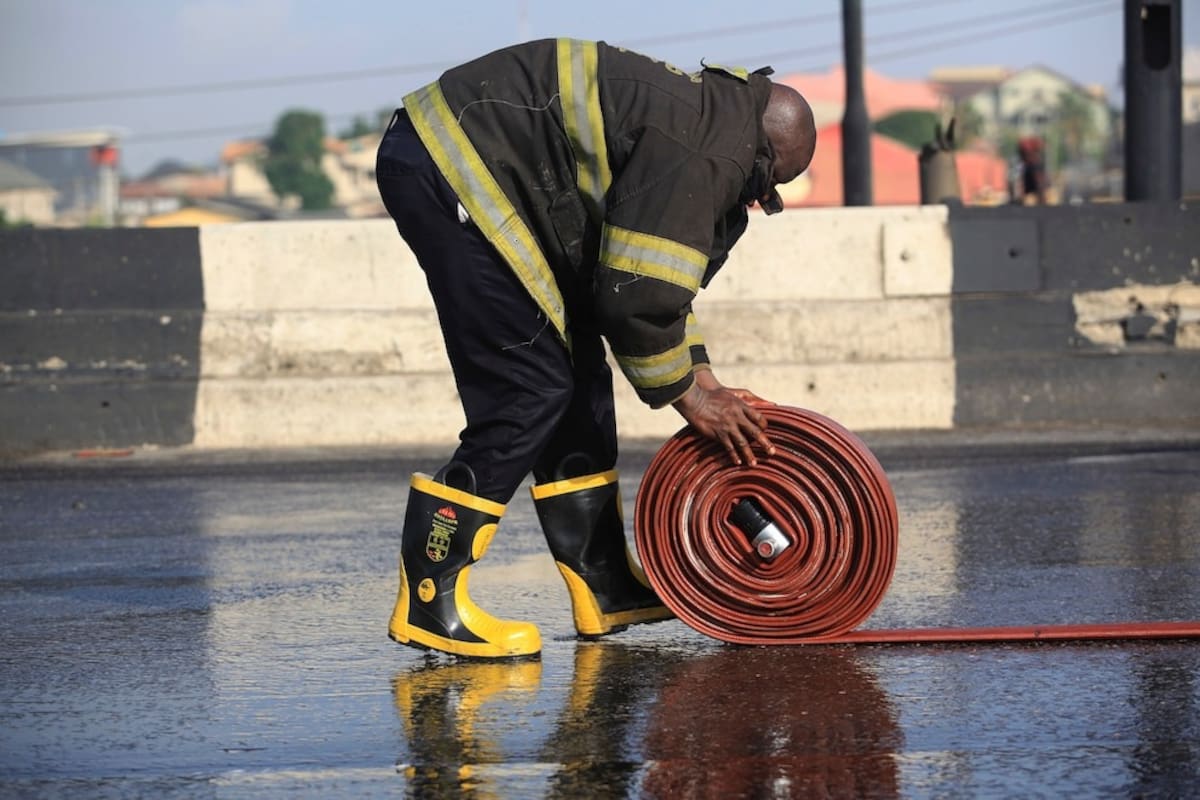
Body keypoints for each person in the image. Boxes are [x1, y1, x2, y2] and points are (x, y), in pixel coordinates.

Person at [376, 37, 817, 659]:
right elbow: (635, 298)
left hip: (509, 175)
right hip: (453, 160)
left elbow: (654, 289)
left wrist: (706, 381)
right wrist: (692, 401)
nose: (758, 202)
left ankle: (605, 586)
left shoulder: (712, 129)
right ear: (762, 147)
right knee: (529, 386)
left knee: (580, 379)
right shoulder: (706, 151)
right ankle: (430, 597)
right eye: (768, 184)